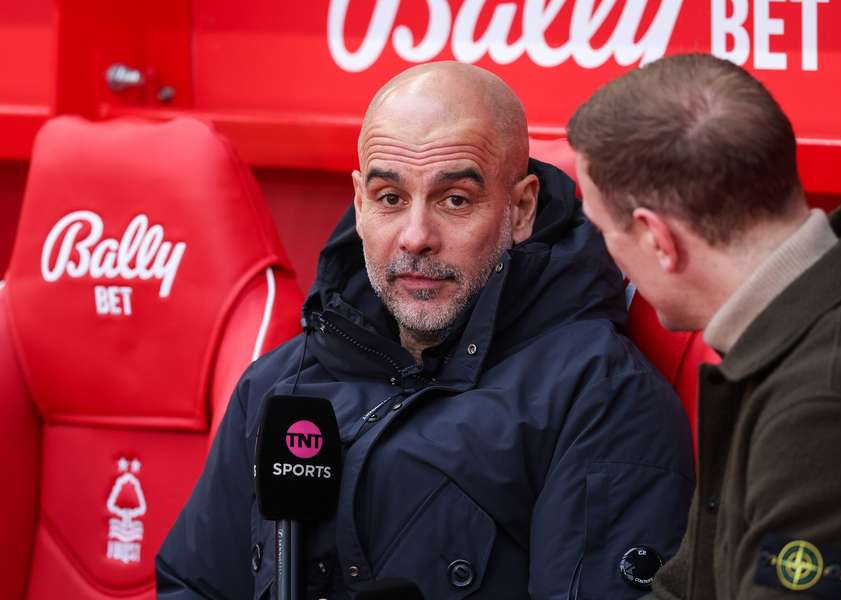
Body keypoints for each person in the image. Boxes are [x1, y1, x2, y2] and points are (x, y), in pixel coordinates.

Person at [157, 61, 694, 599]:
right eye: (390, 198)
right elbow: (193, 586)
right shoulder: (281, 382)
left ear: (522, 207)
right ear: (361, 204)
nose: (416, 237)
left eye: (454, 200)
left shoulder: (600, 396)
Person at [567, 52, 841, 599]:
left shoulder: (831, 403)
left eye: (603, 231)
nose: (609, 257)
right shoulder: (791, 340)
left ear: (657, 240)